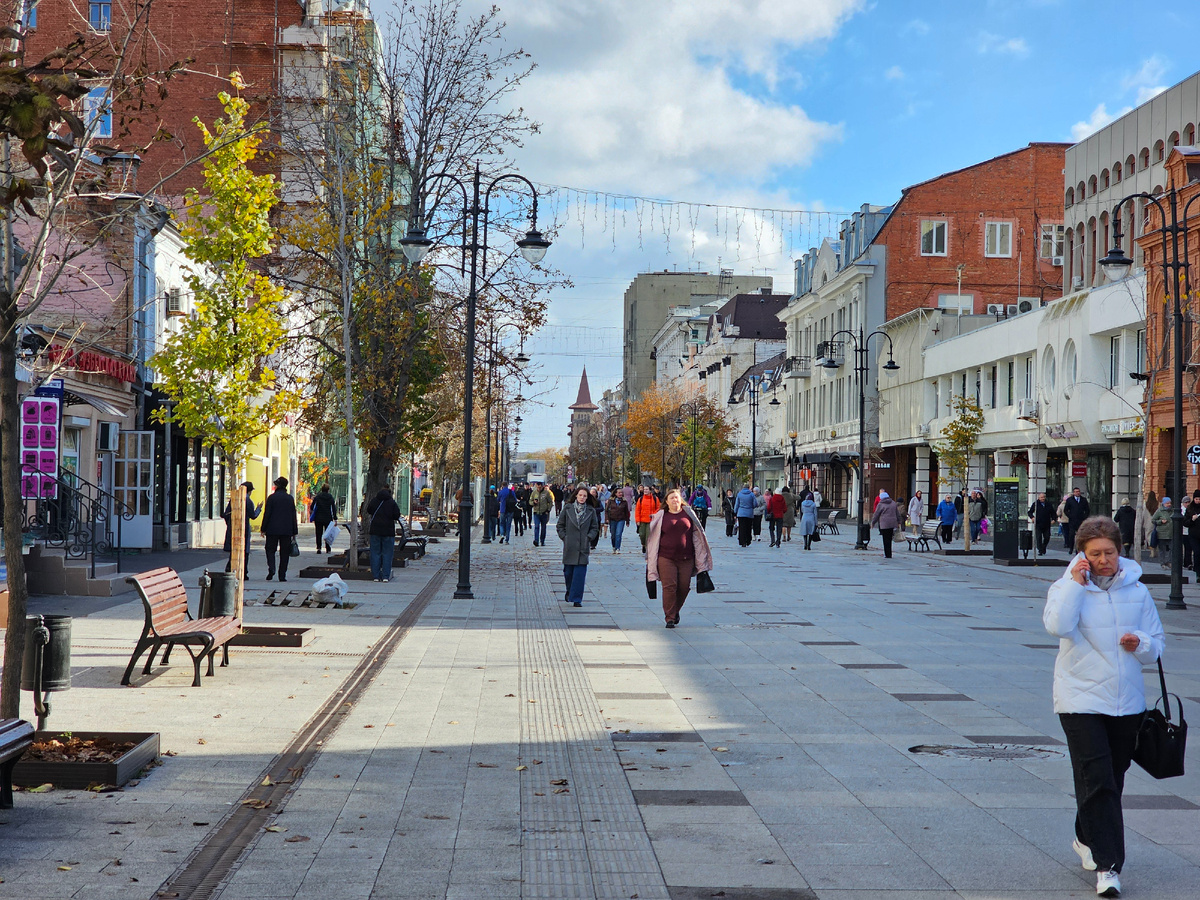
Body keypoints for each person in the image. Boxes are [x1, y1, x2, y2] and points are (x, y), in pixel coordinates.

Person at [1043, 516, 1164, 899]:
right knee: (1097, 778)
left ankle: (1084, 834)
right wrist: (1075, 586)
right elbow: (1058, 626)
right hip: (1079, 700)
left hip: (1127, 702)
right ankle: (1108, 867)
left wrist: (1140, 643)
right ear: (1082, 554)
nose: (1102, 560)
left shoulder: (1138, 591)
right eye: (1094, 554)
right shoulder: (1066, 587)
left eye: (1109, 553)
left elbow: (1156, 644)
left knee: (1112, 777)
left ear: (1119, 551)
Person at [646, 488, 713, 629]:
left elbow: (698, 533)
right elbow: (652, 537)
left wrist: (702, 555)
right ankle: (669, 617)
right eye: (671, 498)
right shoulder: (661, 515)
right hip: (666, 557)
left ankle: (675, 611)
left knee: (684, 587)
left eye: (676, 497)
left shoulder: (688, 513)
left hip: (686, 557)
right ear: (667, 501)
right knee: (669, 587)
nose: (675, 500)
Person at [557, 485, 599, 607]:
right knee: (568, 573)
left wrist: (589, 537)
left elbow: (595, 527)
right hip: (570, 545)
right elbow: (560, 525)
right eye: (580, 495)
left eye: (584, 496)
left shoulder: (590, 510)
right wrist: (565, 537)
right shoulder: (568, 508)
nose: (582, 497)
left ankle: (576, 598)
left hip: (583, 546)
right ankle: (570, 591)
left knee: (579, 574)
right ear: (576, 495)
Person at [260, 476, 298, 582]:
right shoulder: (290, 498)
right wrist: (294, 531)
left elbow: (267, 514)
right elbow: (293, 515)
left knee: (270, 550)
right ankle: (282, 575)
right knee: (285, 552)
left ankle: (271, 568)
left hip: (272, 529)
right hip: (286, 530)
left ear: (277, 486)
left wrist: (263, 528)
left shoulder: (272, 498)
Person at [222, 481, 261, 578]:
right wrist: (259, 509)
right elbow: (253, 516)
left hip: (233, 527)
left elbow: (226, 514)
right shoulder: (248, 501)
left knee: (234, 549)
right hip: (245, 527)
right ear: (249, 491)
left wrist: (230, 524)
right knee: (245, 550)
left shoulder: (234, 499)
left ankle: (230, 568)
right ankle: (243, 571)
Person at [365, 487, 402, 582]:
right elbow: (396, 515)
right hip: (388, 532)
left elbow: (369, 510)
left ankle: (376, 576)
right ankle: (385, 576)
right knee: (387, 554)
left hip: (375, 531)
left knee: (375, 553)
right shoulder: (392, 502)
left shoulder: (374, 501)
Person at [870, 490, 901, 558]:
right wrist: (899, 522)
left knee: (885, 539)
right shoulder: (893, 503)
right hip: (892, 523)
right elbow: (897, 513)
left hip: (884, 524)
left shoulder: (881, 504)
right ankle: (889, 553)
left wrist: (873, 523)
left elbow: (876, 514)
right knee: (889, 538)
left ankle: (887, 554)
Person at [310, 483, 337, 553]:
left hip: (318, 518)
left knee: (318, 533)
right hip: (328, 517)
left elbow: (312, 506)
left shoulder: (318, 497)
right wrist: (335, 518)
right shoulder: (330, 497)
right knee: (327, 533)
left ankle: (319, 548)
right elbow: (333, 508)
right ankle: (328, 548)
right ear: (328, 490)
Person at [1063, 486, 1090, 552]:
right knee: (1071, 534)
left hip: (1081, 520)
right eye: (1076, 492)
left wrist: (1084, 517)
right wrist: (1070, 516)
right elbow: (1066, 510)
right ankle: (1071, 548)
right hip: (1072, 520)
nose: (1077, 493)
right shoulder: (1070, 500)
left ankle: (1078, 548)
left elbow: (1087, 509)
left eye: (1078, 491)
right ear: (1073, 493)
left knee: (1080, 535)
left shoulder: (1083, 500)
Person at [634, 484, 660, 553]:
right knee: (642, 534)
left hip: (651, 520)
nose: (645, 491)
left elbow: (658, 508)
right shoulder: (641, 499)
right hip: (642, 520)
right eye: (644, 489)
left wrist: (654, 514)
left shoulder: (655, 499)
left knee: (648, 535)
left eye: (646, 489)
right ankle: (643, 544)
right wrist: (637, 520)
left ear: (650, 491)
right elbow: (637, 510)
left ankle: (647, 547)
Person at [1029, 491, 1054, 556]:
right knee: (1039, 537)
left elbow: (1053, 512)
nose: (1043, 498)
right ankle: (1040, 550)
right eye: (1041, 497)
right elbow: (1030, 512)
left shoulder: (1048, 504)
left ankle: (1043, 547)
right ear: (1039, 498)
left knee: (1047, 537)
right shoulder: (1036, 504)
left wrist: (1054, 519)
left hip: (1046, 523)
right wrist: (1032, 517)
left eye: (1043, 497)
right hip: (1038, 523)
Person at [1151, 497, 1173, 567]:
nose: (1169, 504)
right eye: (1167, 503)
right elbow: (1153, 520)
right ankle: (1162, 562)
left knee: (1170, 548)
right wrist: (1160, 521)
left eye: (1170, 503)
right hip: (1161, 533)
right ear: (1163, 504)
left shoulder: (1173, 511)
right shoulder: (1159, 511)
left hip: (1170, 533)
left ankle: (1168, 561)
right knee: (1162, 549)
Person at [734, 483, 757, 547]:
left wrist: (735, 511)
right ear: (748, 487)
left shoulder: (739, 494)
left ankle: (742, 541)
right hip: (749, 513)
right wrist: (751, 507)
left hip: (741, 513)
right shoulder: (751, 494)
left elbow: (737, 504)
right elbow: (755, 504)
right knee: (748, 527)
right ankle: (748, 540)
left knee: (741, 528)